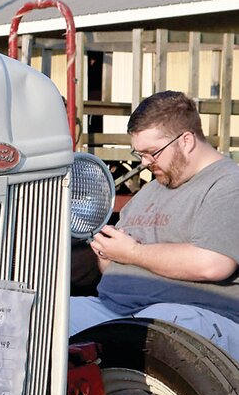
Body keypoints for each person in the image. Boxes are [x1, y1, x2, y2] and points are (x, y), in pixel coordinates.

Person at [70, 89, 239, 354]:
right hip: (113, 309)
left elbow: (213, 263)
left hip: (196, 318)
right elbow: (117, 267)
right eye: (140, 154)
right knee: (45, 314)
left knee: (155, 325)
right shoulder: (153, 188)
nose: (145, 163)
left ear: (186, 141)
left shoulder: (228, 184)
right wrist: (108, 253)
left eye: (152, 152)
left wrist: (133, 252)